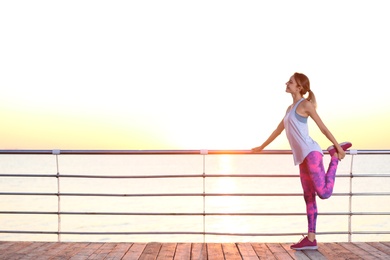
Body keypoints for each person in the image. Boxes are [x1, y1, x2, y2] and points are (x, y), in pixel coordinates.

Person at [252, 72, 352, 250]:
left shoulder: (305, 105)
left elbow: (322, 127)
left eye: (290, 82)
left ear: (299, 87)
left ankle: (334, 158)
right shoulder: (289, 109)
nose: (287, 83)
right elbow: (278, 130)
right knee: (308, 197)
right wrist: (262, 146)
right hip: (301, 158)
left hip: (311, 153)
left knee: (324, 193)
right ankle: (311, 239)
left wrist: (337, 147)